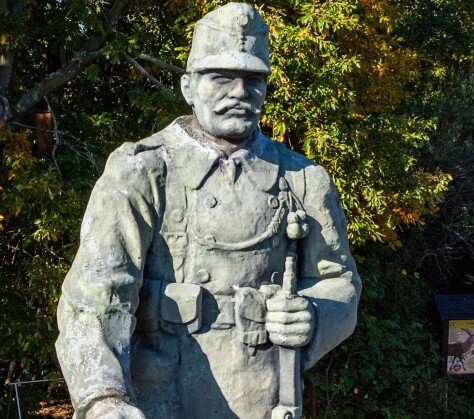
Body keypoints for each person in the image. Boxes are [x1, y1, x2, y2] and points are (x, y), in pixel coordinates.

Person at [55, 3, 361, 418]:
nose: (239, 93)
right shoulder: (143, 171)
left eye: (253, 80)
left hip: (263, 401)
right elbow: (95, 297)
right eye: (220, 78)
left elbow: (339, 283)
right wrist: (103, 399)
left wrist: (314, 315)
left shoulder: (304, 180)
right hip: (160, 402)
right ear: (188, 86)